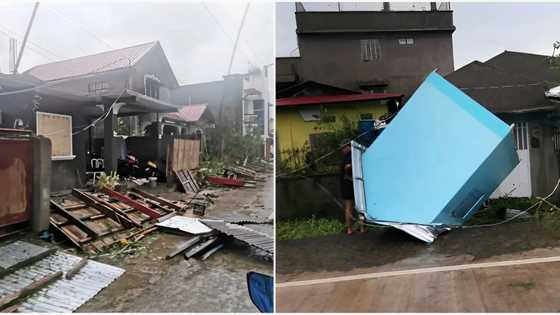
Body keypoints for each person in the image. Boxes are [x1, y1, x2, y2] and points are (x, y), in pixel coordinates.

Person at [340, 140, 358, 235]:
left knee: (355, 207)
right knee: (350, 207)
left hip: (351, 185)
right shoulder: (350, 156)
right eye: (343, 148)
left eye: (344, 147)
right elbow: (347, 167)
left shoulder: (348, 155)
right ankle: (350, 229)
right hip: (349, 185)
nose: (343, 149)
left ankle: (355, 228)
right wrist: (353, 165)